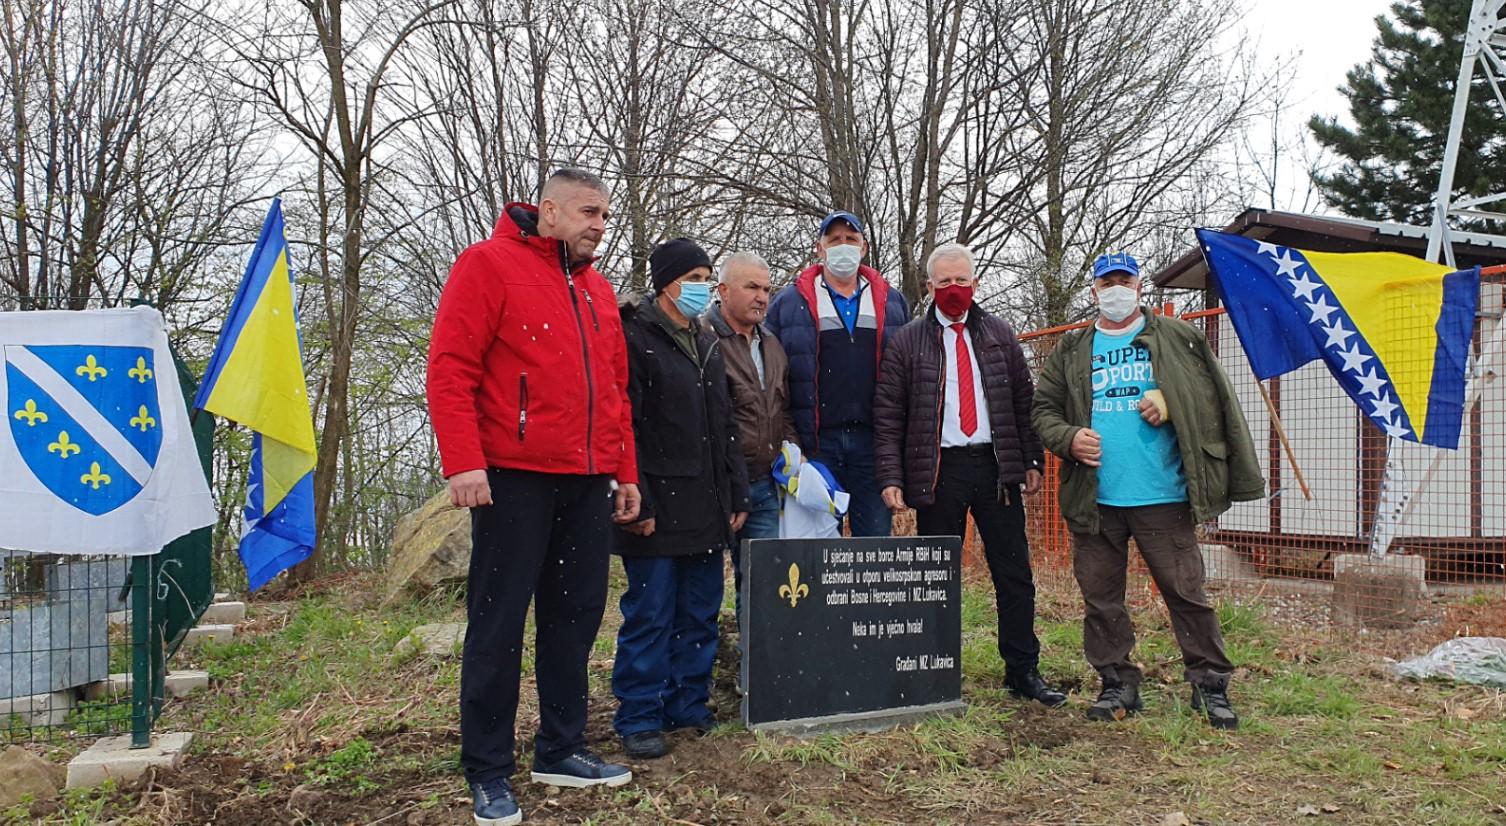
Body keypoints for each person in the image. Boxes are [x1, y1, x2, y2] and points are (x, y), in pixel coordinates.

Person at [427, 168, 640, 826]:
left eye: (604, 213)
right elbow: (450, 366)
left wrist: (624, 470)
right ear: (548, 212)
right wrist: (464, 462)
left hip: (585, 481)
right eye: (586, 212)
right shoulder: (487, 265)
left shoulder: (599, 291)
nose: (598, 224)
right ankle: (488, 769)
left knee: (574, 619)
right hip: (511, 475)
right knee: (498, 623)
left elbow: (613, 392)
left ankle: (561, 747)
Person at [1031, 251, 1264, 731]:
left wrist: (1170, 401)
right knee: (1102, 599)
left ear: (1139, 287)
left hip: (1164, 493)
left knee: (1186, 592)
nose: (1116, 288)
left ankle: (1210, 685)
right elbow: (1043, 411)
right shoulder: (1072, 350)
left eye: (1125, 279)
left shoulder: (1179, 337)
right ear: (1094, 289)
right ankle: (1117, 683)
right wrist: (1068, 438)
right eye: (1107, 281)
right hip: (1094, 498)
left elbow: (1214, 398)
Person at [873, 242, 1065, 708]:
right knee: (934, 578)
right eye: (945, 283)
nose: (954, 290)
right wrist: (890, 476)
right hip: (938, 472)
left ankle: (1022, 671)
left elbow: (1024, 402)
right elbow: (888, 416)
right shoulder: (906, 341)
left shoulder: (1000, 335)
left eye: (962, 281)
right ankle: (931, 673)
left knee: (1014, 574)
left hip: (997, 470)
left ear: (975, 283)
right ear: (929, 287)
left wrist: (1033, 460)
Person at [611, 239, 750, 760]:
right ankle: (640, 713)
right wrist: (637, 500)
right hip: (656, 505)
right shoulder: (635, 337)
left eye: (708, 275)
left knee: (700, 611)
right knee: (650, 614)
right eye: (694, 275)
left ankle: (688, 704)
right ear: (667, 281)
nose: (704, 286)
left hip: (707, 504)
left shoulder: (708, 338)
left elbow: (725, 424)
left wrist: (736, 492)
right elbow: (626, 425)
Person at [765, 210, 908, 537]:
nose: (843, 246)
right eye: (834, 240)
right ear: (819, 248)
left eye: (851, 239)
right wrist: (789, 440)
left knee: (873, 548)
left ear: (864, 247)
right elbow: (774, 374)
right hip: (814, 444)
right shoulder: (789, 303)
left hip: (873, 444)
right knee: (815, 552)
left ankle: (869, 592)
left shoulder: (892, 301)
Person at [701, 251, 796, 622]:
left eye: (767, 289)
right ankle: (699, 669)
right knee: (704, 586)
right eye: (752, 287)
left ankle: (753, 670)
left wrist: (792, 450)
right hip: (716, 485)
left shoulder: (772, 344)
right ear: (723, 290)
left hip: (764, 483)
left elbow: (781, 407)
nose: (762, 297)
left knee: (762, 584)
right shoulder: (702, 338)